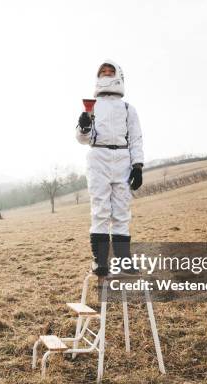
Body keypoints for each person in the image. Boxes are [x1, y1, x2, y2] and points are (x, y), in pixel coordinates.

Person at [75, 60, 144, 279]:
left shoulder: (127, 108)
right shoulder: (92, 106)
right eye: (102, 72)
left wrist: (138, 166)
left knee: (122, 212)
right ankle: (100, 261)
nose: (106, 75)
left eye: (110, 71)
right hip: (99, 157)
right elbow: (84, 139)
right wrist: (84, 126)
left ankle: (124, 260)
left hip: (123, 158)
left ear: (118, 76)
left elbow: (136, 138)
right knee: (100, 210)